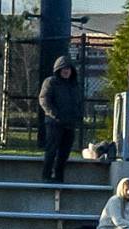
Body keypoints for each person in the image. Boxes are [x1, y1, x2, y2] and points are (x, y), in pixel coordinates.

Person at [38, 55, 84, 184]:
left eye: (68, 68)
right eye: (63, 68)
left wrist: (78, 115)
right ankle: (46, 176)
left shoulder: (74, 85)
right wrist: (55, 115)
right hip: (54, 123)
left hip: (69, 123)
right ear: (58, 69)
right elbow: (44, 100)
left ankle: (59, 176)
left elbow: (78, 102)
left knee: (64, 152)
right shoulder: (51, 82)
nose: (66, 71)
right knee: (51, 150)